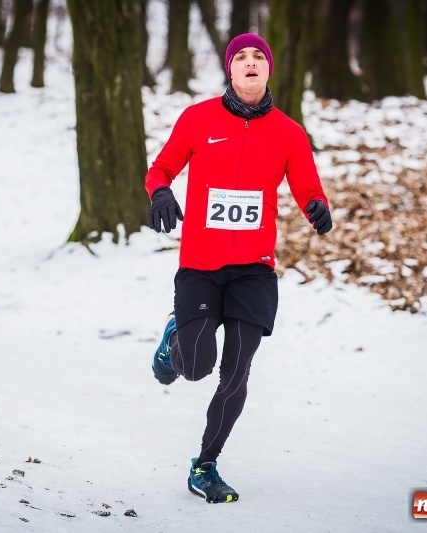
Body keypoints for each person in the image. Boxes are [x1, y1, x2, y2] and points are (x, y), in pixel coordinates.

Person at [144, 33, 331, 504]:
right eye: (241, 57)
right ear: (230, 70)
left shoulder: (288, 132)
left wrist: (317, 208)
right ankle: (174, 342)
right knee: (196, 368)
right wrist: (162, 193)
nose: (250, 63)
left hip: (254, 270)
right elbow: (161, 169)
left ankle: (205, 465)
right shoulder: (198, 118)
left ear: (269, 70)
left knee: (235, 373)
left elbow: (308, 186)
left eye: (259, 57)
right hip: (201, 266)